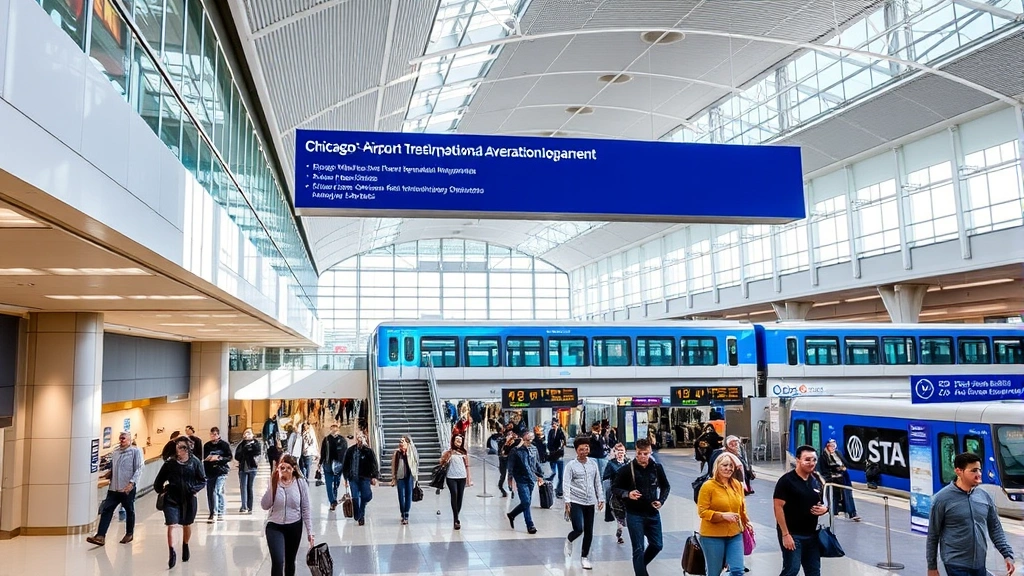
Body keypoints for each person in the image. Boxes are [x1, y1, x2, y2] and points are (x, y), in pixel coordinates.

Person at [926, 452, 1016, 576]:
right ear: (959, 471)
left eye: (979, 470)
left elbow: (995, 528)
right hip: (955, 564)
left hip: (979, 565)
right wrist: (932, 567)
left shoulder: (984, 497)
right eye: (973, 471)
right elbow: (933, 535)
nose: (978, 474)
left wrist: (1007, 554)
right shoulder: (942, 499)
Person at [612, 438, 670, 576]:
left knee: (657, 545)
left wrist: (661, 500)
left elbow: (665, 486)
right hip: (634, 513)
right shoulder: (626, 469)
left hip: (652, 512)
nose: (642, 457)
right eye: (639, 453)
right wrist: (627, 493)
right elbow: (615, 488)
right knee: (638, 548)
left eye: (646, 453)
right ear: (635, 452)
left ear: (650, 452)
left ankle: (640, 566)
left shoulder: (657, 468)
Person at [773, 445, 829, 576]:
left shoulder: (816, 480)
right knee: (792, 569)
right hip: (793, 534)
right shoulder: (786, 481)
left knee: (814, 571)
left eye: (814, 459)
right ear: (798, 460)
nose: (811, 463)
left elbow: (825, 502)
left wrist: (825, 509)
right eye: (807, 459)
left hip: (812, 534)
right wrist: (785, 534)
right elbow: (778, 507)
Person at [154, 437, 207, 568]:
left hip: (189, 499)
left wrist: (194, 489)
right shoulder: (169, 464)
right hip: (172, 499)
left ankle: (185, 544)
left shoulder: (195, 462)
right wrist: (163, 491)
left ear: (188, 448)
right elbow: (158, 482)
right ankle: (172, 552)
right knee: (172, 524)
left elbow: (202, 480)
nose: (180, 450)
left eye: (183, 447)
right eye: (179, 447)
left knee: (187, 524)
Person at [87, 431, 144, 546]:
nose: (121, 440)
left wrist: (131, 484)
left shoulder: (135, 451)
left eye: (124, 438)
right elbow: (115, 467)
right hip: (113, 488)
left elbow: (139, 469)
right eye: (120, 438)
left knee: (129, 510)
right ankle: (100, 536)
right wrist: (108, 474)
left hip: (127, 488)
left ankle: (129, 533)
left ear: (129, 439)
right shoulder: (116, 452)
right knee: (106, 510)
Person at [698, 453, 751, 576]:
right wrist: (722, 516)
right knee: (714, 572)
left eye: (731, 466)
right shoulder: (708, 486)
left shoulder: (737, 484)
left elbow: (741, 507)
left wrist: (746, 522)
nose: (728, 468)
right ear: (717, 466)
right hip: (712, 536)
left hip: (735, 534)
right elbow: (702, 511)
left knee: (738, 570)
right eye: (725, 465)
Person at [262, 455, 315, 576]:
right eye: (282, 467)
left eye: (288, 468)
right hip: (274, 526)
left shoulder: (300, 483)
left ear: (294, 469)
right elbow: (265, 505)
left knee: (290, 561)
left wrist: (310, 531)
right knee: (278, 561)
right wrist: (273, 484)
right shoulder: (274, 482)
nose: (285, 470)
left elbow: (306, 508)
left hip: (294, 525)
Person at [563, 436, 604, 570]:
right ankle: (569, 540)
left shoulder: (593, 464)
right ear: (576, 450)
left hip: (590, 501)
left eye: (586, 448)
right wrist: (567, 501)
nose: (584, 451)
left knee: (589, 531)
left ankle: (584, 557)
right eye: (581, 449)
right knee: (578, 528)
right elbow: (566, 483)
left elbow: (597, 482)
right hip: (575, 501)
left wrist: (600, 498)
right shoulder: (571, 466)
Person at [506, 431, 544, 534]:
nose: (529, 442)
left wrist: (541, 475)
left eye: (531, 440)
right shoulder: (516, 450)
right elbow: (510, 466)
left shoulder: (534, 449)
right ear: (523, 439)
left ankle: (512, 514)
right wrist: (510, 479)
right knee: (526, 501)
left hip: (531, 478)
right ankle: (530, 524)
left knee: (526, 502)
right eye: (527, 440)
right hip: (520, 478)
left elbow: (537, 463)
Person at [341, 432, 379, 526]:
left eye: (361, 437)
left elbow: (374, 464)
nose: (359, 439)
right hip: (353, 478)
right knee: (355, 497)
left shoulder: (368, 451)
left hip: (365, 477)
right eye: (357, 437)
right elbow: (345, 464)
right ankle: (359, 515)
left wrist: (374, 476)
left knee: (366, 496)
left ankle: (362, 509)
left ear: (364, 438)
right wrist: (345, 478)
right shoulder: (350, 450)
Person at [819, 438, 859, 521]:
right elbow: (823, 470)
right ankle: (834, 512)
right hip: (833, 480)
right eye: (831, 446)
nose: (833, 448)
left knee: (847, 495)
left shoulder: (838, 453)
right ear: (827, 446)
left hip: (843, 478)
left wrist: (842, 468)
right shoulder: (823, 457)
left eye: (834, 446)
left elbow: (846, 463)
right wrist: (834, 472)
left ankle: (852, 513)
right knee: (834, 496)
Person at [441, 434, 473, 529]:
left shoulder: (464, 452)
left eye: (460, 440)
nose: (458, 442)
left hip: (462, 476)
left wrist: (469, 478)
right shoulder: (449, 451)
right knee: (454, 494)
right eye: (456, 440)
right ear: (453, 441)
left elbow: (467, 466)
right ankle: (456, 518)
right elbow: (442, 462)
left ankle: (456, 515)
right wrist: (445, 458)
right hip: (451, 476)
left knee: (460, 497)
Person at [202, 426, 232, 521]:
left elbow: (229, 457)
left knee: (218, 490)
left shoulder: (224, 445)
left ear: (218, 435)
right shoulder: (206, 445)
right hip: (210, 472)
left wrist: (220, 458)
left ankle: (220, 511)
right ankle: (212, 511)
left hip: (221, 471)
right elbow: (204, 458)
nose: (213, 436)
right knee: (210, 492)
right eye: (211, 434)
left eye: (215, 434)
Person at [603, 442, 630, 543]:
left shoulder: (628, 462)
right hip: (616, 493)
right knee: (619, 513)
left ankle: (624, 529)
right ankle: (619, 531)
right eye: (618, 451)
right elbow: (605, 477)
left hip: (627, 492)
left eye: (622, 451)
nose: (620, 453)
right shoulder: (611, 464)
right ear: (614, 452)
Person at [390, 435, 419, 525]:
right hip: (400, 476)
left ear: (407, 443)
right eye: (400, 441)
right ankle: (402, 512)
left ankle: (406, 514)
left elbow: (416, 461)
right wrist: (393, 477)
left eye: (403, 441)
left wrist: (416, 476)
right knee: (401, 496)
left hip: (409, 476)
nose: (401, 443)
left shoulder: (411, 452)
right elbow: (394, 465)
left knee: (408, 495)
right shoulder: (397, 453)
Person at [320, 424, 348, 512]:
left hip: (339, 465)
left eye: (335, 430)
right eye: (332, 430)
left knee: (336, 484)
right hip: (328, 464)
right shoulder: (327, 439)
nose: (334, 431)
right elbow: (323, 452)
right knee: (329, 484)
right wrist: (320, 462)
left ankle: (334, 499)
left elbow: (345, 453)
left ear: (338, 430)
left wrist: (345, 465)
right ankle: (332, 501)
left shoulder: (343, 440)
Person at [235, 428, 261, 514]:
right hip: (243, 468)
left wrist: (248, 449)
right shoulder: (241, 445)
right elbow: (237, 456)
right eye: (245, 433)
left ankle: (250, 506)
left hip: (252, 468)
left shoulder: (256, 444)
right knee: (243, 487)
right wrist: (245, 449)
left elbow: (257, 452)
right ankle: (244, 506)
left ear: (253, 435)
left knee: (249, 487)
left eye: (249, 433)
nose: (247, 435)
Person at [547, 420, 567, 498]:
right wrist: (551, 451)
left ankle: (559, 491)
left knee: (561, 475)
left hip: (560, 456)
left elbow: (564, 441)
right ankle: (550, 489)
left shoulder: (560, 432)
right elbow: (549, 443)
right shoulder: (550, 432)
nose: (554, 426)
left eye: (555, 424)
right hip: (552, 455)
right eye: (553, 424)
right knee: (553, 473)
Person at [497, 431, 519, 498]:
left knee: (511, 475)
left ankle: (512, 491)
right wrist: (506, 442)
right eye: (509, 434)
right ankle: (502, 488)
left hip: (511, 460)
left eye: (512, 434)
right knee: (503, 475)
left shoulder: (516, 442)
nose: (511, 436)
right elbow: (501, 451)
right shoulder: (502, 441)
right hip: (503, 459)